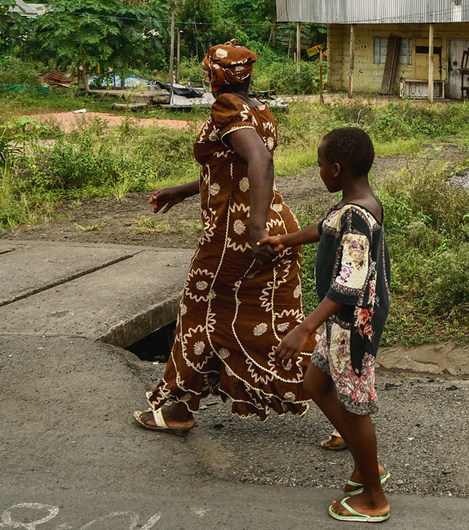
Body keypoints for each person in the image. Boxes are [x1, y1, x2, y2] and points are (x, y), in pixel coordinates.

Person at [133, 39, 309, 433]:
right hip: (277, 225)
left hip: (237, 234)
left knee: (199, 312)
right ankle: (344, 409)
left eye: (208, 70)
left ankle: (178, 409)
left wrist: (256, 229)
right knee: (276, 323)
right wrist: (182, 190)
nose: (205, 77)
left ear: (217, 75)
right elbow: (234, 168)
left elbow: (260, 161)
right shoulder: (259, 109)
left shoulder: (227, 107)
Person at [262, 127, 392, 523]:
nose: (317, 170)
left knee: (354, 406)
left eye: (319, 164)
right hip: (341, 319)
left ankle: (374, 497)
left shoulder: (356, 215)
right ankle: (366, 465)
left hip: (352, 323)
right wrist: (286, 239)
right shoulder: (355, 203)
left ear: (336, 169)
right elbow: (323, 228)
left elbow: (349, 281)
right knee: (315, 383)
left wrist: (305, 327)